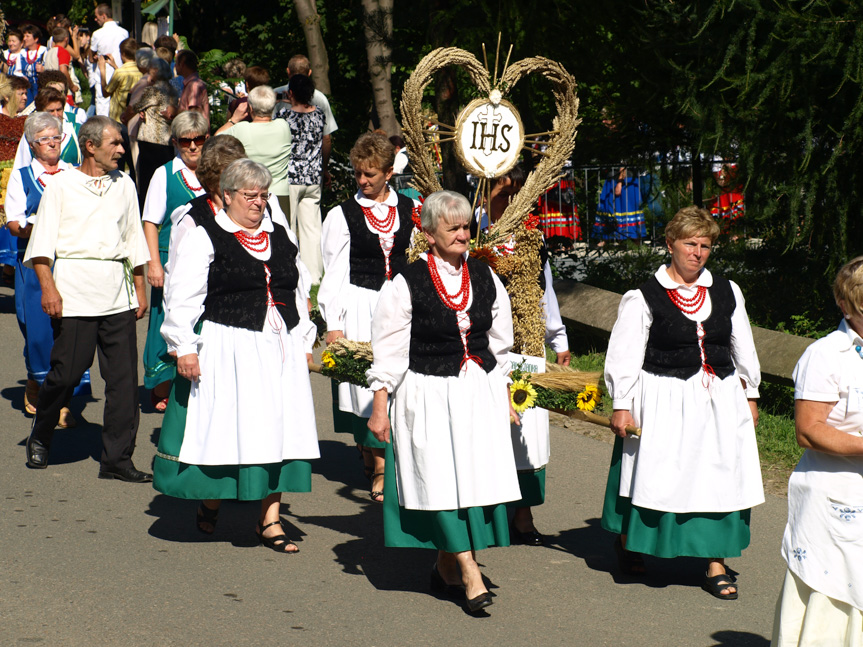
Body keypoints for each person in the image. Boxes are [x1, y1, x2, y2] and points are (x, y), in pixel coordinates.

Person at [366, 190, 521, 613]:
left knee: (469, 481)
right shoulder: (405, 282)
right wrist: (380, 408)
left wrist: (505, 396)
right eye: (452, 227)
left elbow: (501, 345)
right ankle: (470, 572)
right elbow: (389, 352)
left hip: (479, 391)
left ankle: (445, 566)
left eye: (466, 226)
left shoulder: (486, 276)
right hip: (429, 392)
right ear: (429, 232)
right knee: (439, 479)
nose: (462, 234)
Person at [155, 158, 319, 551]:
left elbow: (299, 288)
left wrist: (305, 339)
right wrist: (184, 347)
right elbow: (183, 295)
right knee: (232, 428)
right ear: (226, 196)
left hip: (280, 344)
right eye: (250, 196)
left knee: (280, 427)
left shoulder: (280, 234)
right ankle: (213, 498)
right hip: (230, 344)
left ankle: (271, 520)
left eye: (263, 195)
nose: (259, 203)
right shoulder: (205, 233)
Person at [601, 206, 764, 600]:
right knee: (659, 473)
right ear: (670, 244)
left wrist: (752, 392)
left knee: (720, 474)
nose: (698, 252)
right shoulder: (643, 296)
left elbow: (741, 342)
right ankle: (633, 543)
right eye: (690, 243)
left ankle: (715, 561)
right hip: (663, 396)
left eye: (705, 245)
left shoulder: (727, 290)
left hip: (720, 396)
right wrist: (622, 403)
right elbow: (624, 355)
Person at [23, 116, 151, 481]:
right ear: (90, 145)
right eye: (115, 143)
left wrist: (140, 290)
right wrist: (49, 288)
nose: (122, 150)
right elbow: (42, 245)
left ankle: (117, 459)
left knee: (124, 382)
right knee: (65, 375)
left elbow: (133, 239)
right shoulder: (61, 186)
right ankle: (42, 432)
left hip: (117, 291)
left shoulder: (125, 184)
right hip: (74, 291)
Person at [319, 132, 421, 502]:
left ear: (389, 172)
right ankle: (378, 464)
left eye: (370, 174)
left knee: (400, 381)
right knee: (367, 385)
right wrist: (334, 324)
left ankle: (384, 455)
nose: (362, 181)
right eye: (358, 173)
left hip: (401, 306)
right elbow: (333, 272)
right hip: (361, 303)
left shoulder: (412, 210)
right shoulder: (342, 214)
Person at [770, 258, 863, 645]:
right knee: (837, 589)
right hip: (836, 493)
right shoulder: (825, 355)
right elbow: (808, 431)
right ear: (846, 305)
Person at [5, 112, 89, 425]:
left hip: (70, 260)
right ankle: (35, 378)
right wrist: (35, 227)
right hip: (34, 259)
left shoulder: (73, 173)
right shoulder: (23, 175)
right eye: (45, 140)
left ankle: (59, 399)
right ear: (32, 144)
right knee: (37, 331)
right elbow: (13, 221)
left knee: (69, 330)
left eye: (57, 138)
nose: (52, 144)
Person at [141, 111, 209, 411]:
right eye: (186, 141)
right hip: (171, 258)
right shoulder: (164, 174)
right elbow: (150, 222)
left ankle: (193, 378)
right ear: (175, 142)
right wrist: (153, 263)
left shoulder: (214, 173)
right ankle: (162, 384)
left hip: (207, 259)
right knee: (164, 318)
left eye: (199, 140)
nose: (193, 146)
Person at [216, 85, 291, 222]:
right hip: (281, 193)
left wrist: (234, 119)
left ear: (250, 107)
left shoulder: (241, 129)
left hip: (251, 194)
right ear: (273, 106)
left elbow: (216, 139)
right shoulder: (283, 126)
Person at [284, 74, 325, 283]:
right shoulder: (320, 115)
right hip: (313, 178)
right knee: (312, 229)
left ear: (290, 93)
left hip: (290, 177)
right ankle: (315, 276)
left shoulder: (284, 116)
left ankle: (292, 273)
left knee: (288, 227)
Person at [275, 54, 336, 186]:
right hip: (312, 175)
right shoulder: (320, 99)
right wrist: (324, 168)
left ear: (288, 71)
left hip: (285, 174)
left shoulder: (274, 97)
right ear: (309, 72)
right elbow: (326, 138)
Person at [131, 57, 178, 206]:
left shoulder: (152, 91)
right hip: (167, 140)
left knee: (147, 179)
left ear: (156, 71)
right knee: (165, 177)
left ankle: (147, 208)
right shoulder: (173, 90)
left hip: (150, 140)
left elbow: (136, 106)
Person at [11, 88, 82, 170]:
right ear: (40, 112)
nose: (56, 115)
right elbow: (21, 166)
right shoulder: (31, 134)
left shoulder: (76, 130)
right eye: (51, 111)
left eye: (59, 110)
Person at [90, 3, 129, 117]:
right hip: (120, 71)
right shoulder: (124, 32)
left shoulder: (97, 34)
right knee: (120, 103)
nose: (95, 19)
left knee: (103, 106)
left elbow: (91, 56)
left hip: (104, 73)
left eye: (97, 16)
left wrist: (94, 56)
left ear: (104, 16)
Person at [98, 37, 141, 123]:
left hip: (118, 119)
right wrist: (115, 66)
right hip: (134, 118)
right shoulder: (140, 71)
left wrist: (102, 70)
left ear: (123, 54)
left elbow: (105, 93)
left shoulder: (119, 73)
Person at [15, 25, 46, 105]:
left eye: (27, 36)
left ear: (36, 39)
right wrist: (21, 76)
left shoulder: (44, 51)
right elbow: (17, 71)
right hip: (27, 90)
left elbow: (50, 69)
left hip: (39, 88)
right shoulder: (22, 53)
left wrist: (43, 69)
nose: (24, 39)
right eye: (24, 36)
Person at [175, 50, 208, 119]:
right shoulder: (190, 83)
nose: (174, 66)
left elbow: (194, 115)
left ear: (182, 64)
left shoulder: (194, 86)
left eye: (176, 62)